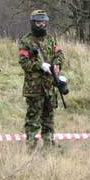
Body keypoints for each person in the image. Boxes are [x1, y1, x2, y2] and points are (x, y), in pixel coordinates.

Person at [18, 10, 65, 152]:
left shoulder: (51, 39)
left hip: (49, 86)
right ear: (33, 23)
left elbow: (60, 55)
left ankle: (49, 147)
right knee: (33, 120)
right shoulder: (26, 41)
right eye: (38, 22)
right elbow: (24, 63)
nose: (41, 25)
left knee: (49, 120)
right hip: (34, 88)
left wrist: (57, 65)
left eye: (43, 22)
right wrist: (40, 65)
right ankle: (30, 149)